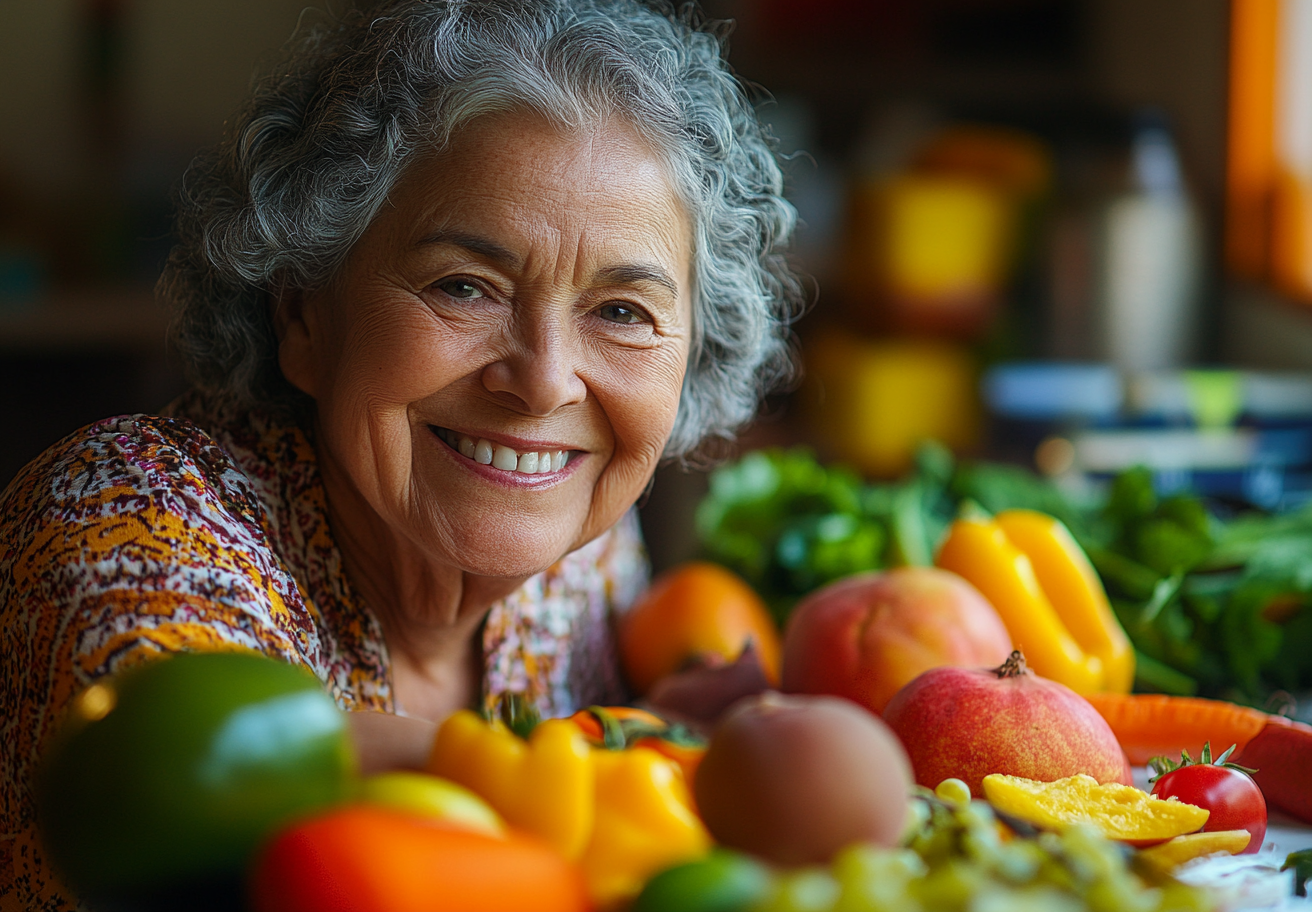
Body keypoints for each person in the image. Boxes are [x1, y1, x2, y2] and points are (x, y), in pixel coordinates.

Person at [0, 0, 801, 907]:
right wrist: (643, 755)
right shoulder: (125, 514)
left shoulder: (587, 559)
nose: (543, 383)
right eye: (463, 286)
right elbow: (174, 775)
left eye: (622, 311)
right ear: (303, 313)